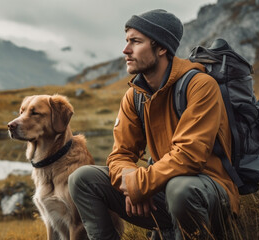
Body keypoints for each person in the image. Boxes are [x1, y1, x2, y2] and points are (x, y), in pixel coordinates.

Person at [68, 9, 239, 240]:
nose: (125, 50)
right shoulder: (134, 96)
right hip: (160, 189)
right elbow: (120, 154)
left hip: (209, 194)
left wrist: (141, 185)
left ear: (161, 48)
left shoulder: (201, 86)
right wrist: (133, 182)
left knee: (180, 190)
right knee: (83, 178)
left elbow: (189, 155)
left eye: (135, 42)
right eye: (127, 41)